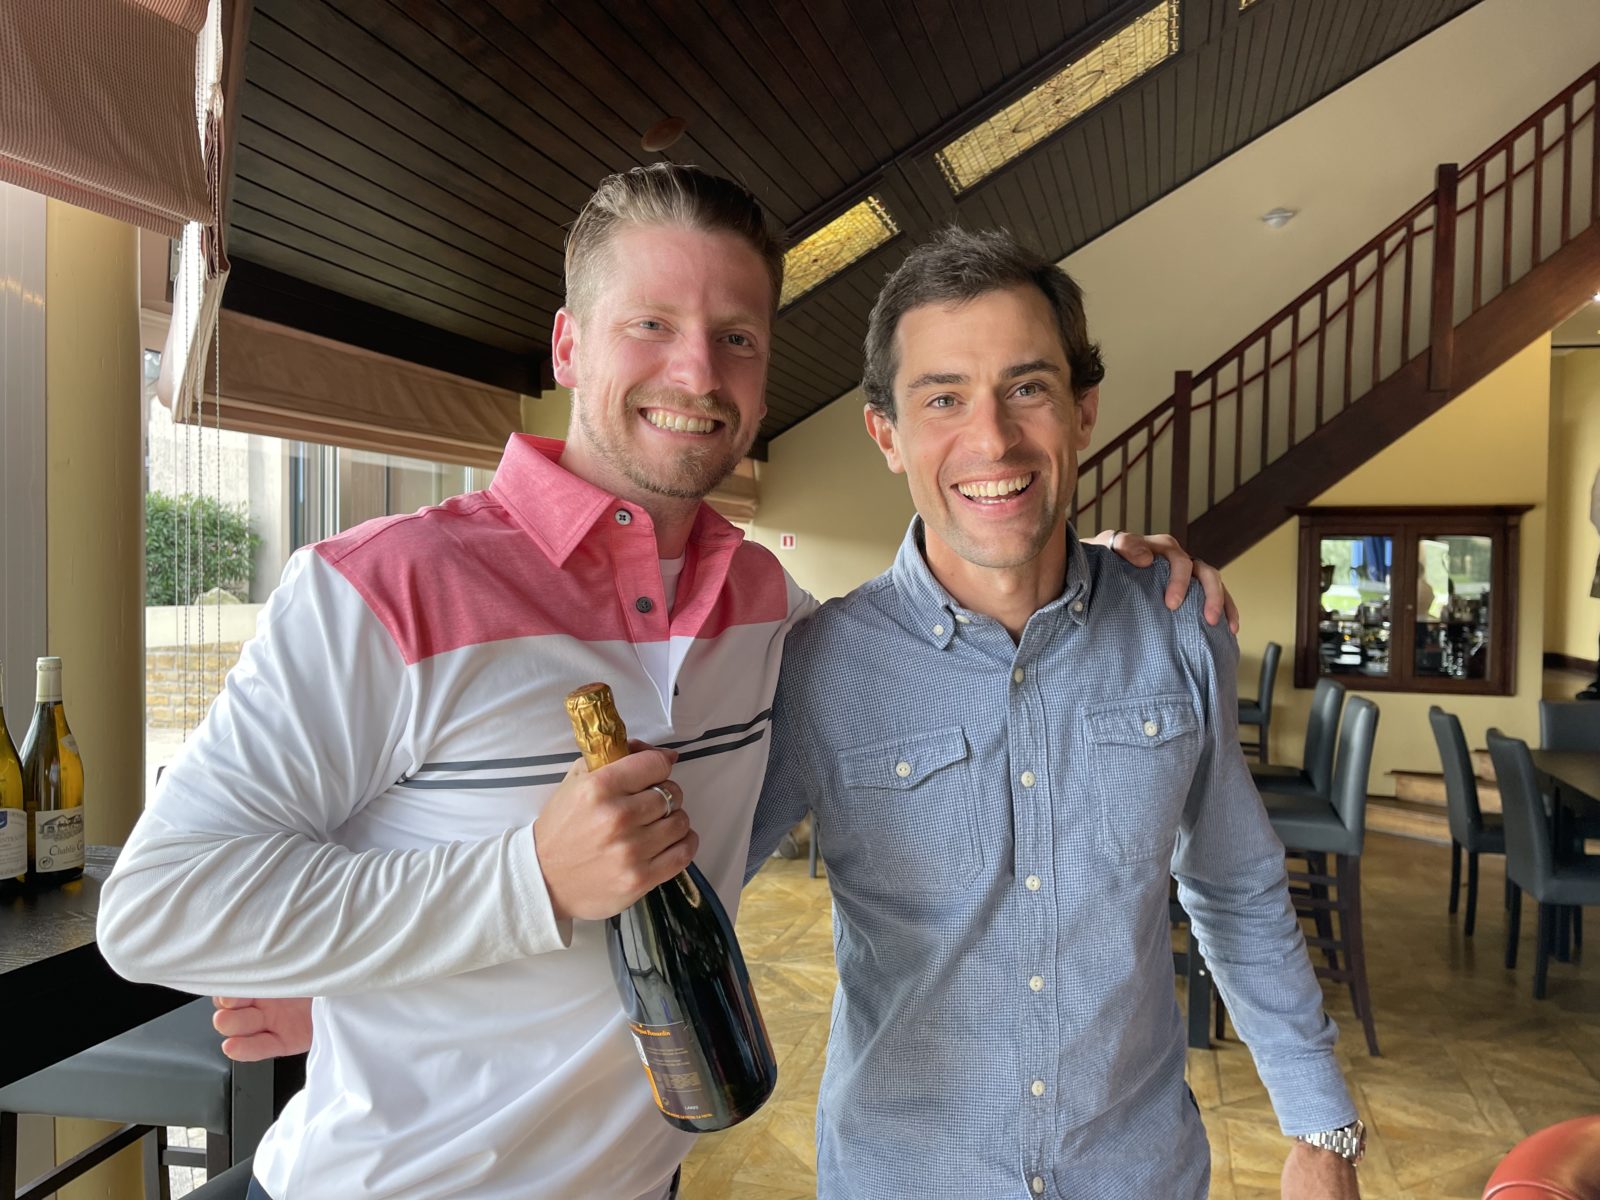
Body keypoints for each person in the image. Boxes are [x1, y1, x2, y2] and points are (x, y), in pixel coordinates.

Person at [97, 165, 1226, 1200]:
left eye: (736, 338)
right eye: (651, 324)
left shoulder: (767, 610)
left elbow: (943, 641)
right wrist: (525, 880)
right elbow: (156, 911)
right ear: (567, 345)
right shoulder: (382, 587)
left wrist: (1084, 571)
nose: (697, 372)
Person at [743, 228, 1363, 1199]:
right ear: (886, 435)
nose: (992, 440)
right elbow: (687, 895)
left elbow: (1236, 885)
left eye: (1026, 388)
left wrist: (1319, 1130)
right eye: (943, 398)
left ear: (1082, 411)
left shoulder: (1177, 628)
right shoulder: (818, 667)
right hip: (908, 1177)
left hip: (1136, 1173)